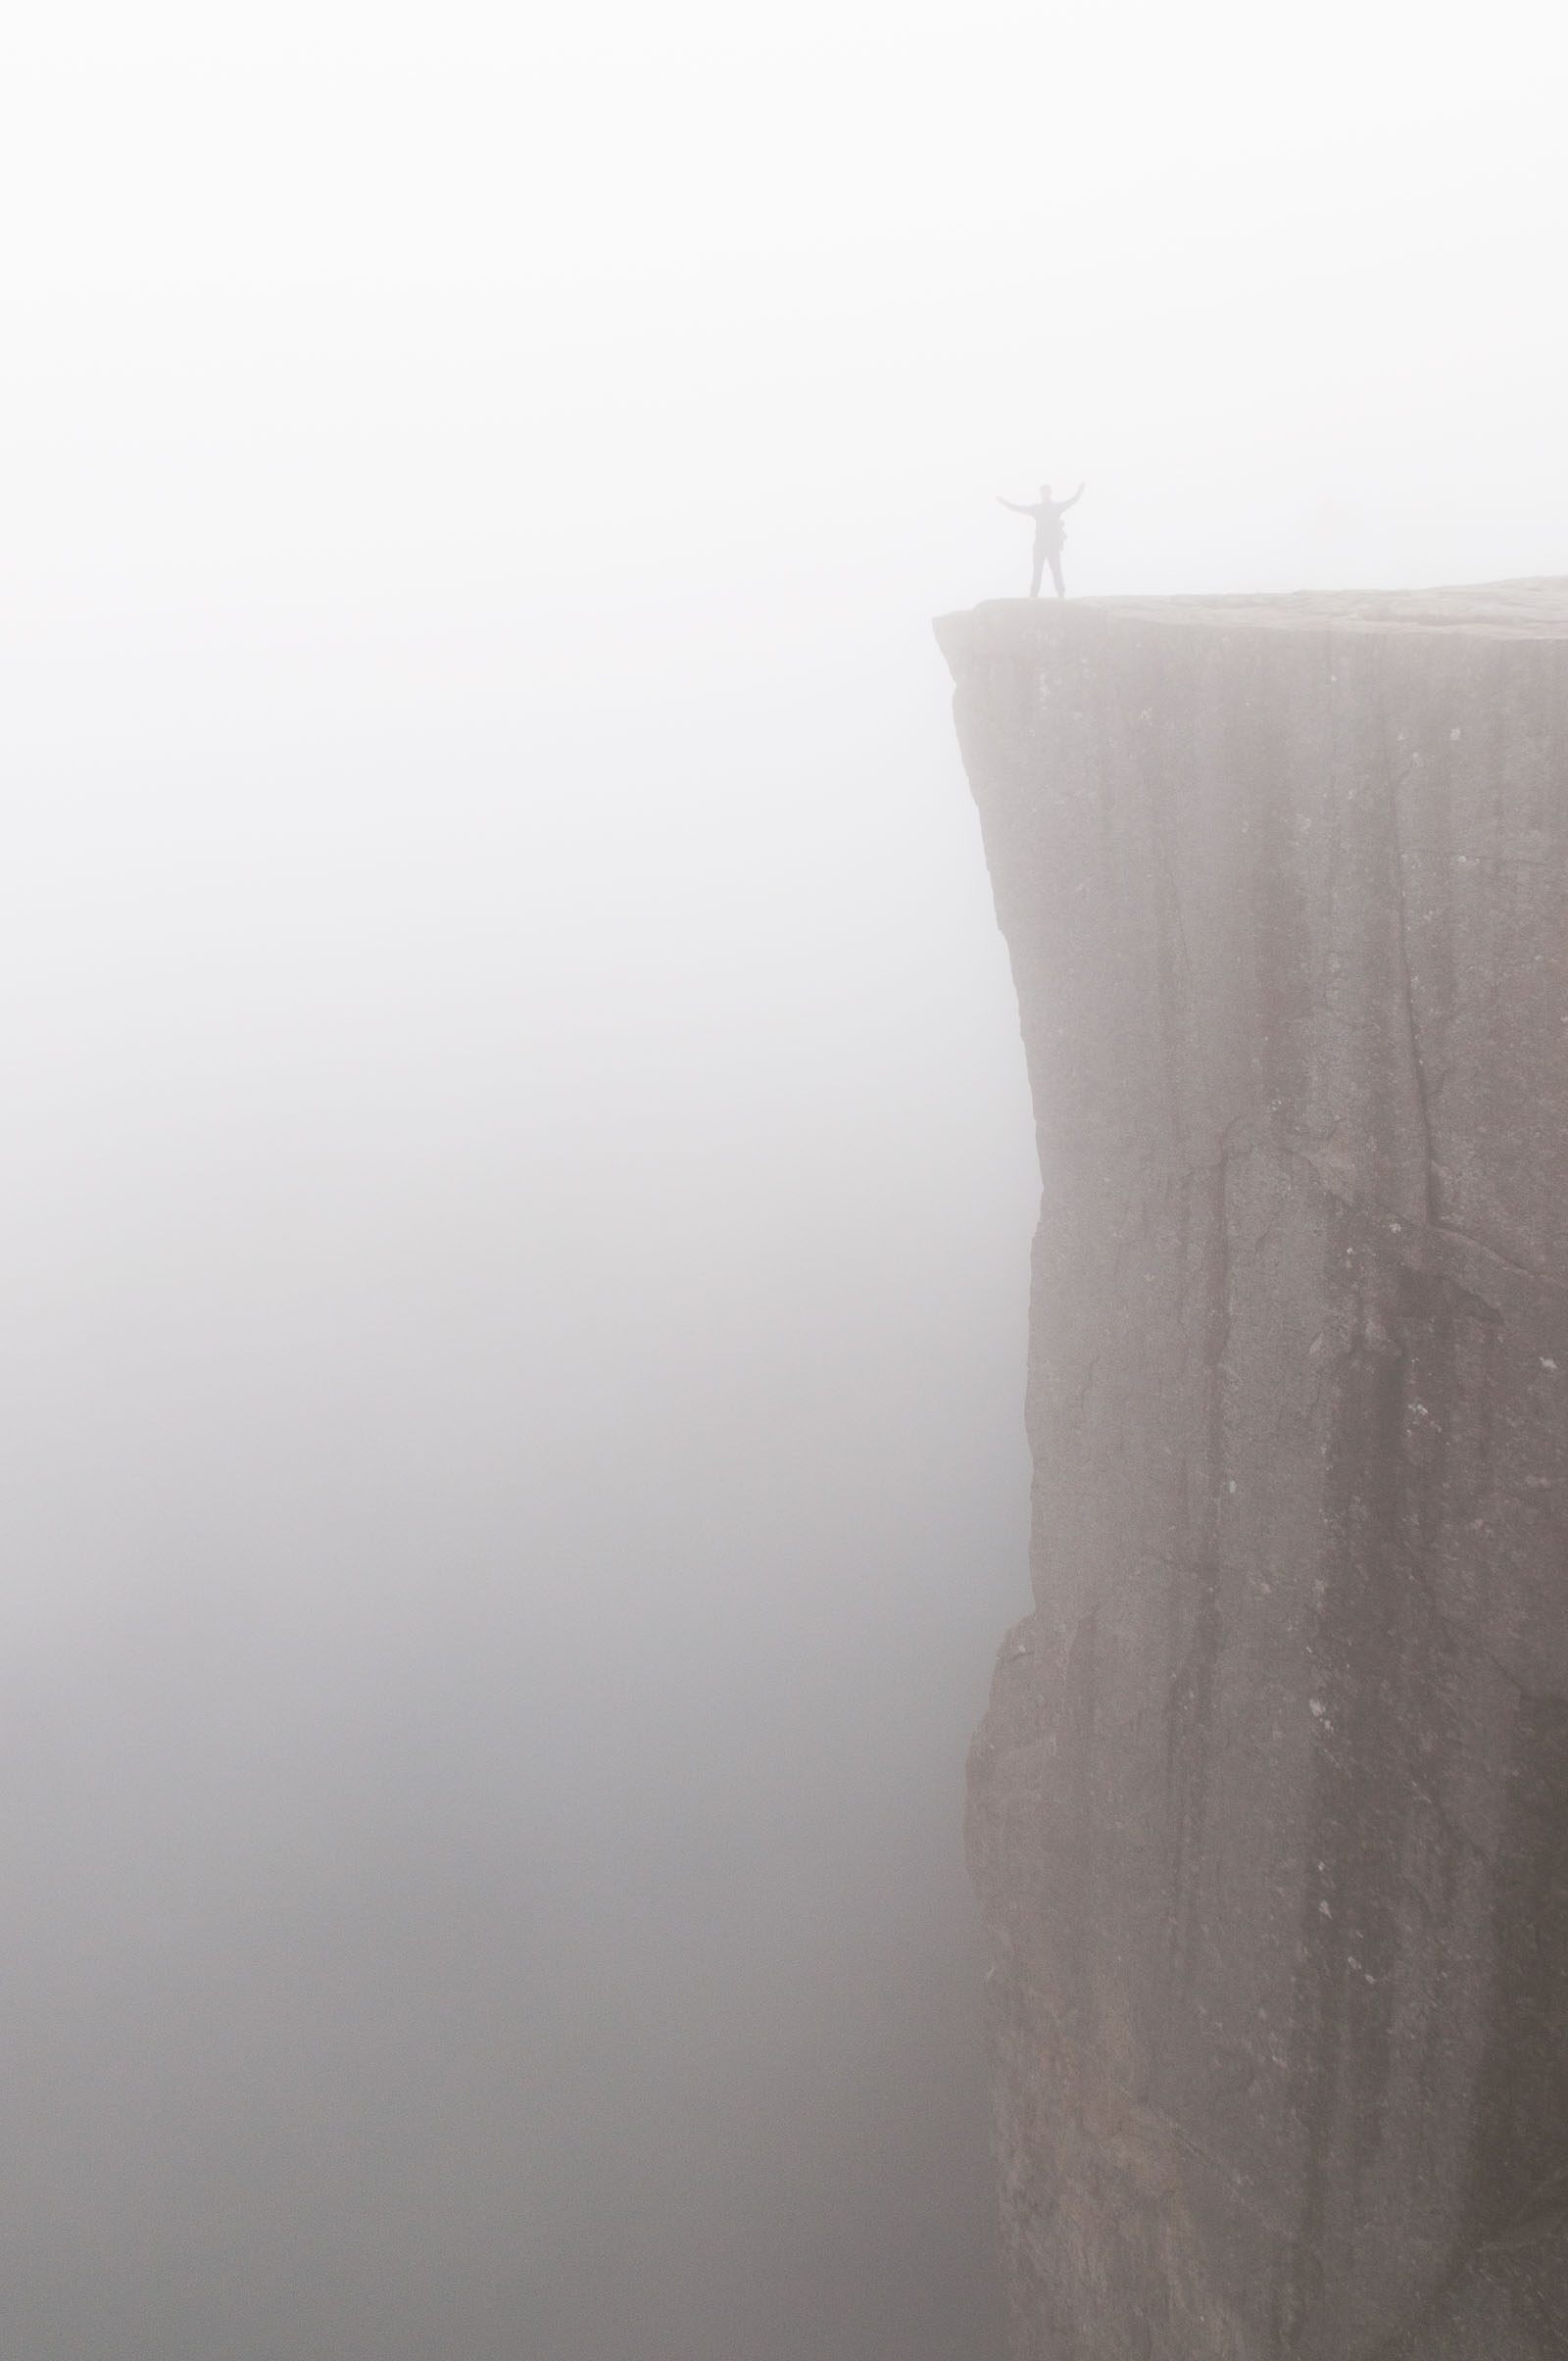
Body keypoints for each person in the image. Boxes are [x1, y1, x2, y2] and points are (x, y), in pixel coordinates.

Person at [998, 481, 1085, 598]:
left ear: (1050, 493)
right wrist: (1004, 502)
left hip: (1052, 545)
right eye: (1043, 493)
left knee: (1056, 570)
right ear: (1041, 494)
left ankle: (1060, 593)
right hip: (1039, 545)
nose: (1045, 495)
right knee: (1037, 570)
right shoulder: (1037, 509)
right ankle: (1034, 593)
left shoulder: (1056, 507)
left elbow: (1071, 501)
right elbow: (1018, 508)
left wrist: (1079, 491)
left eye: (1047, 492)